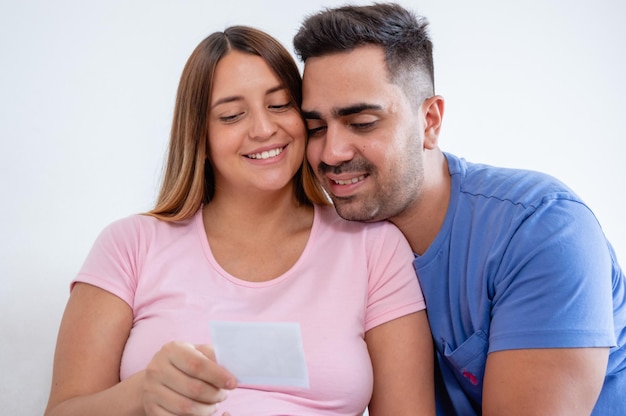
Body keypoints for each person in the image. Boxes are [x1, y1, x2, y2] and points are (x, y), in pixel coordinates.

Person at [44, 26, 435, 416]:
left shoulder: (375, 249)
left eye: (280, 105)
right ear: (200, 135)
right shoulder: (130, 245)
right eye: (231, 115)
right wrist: (141, 393)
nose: (264, 129)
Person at [294, 3, 626, 415]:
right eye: (315, 128)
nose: (332, 152)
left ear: (430, 121)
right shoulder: (338, 245)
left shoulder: (542, 230)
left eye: (362, 123)